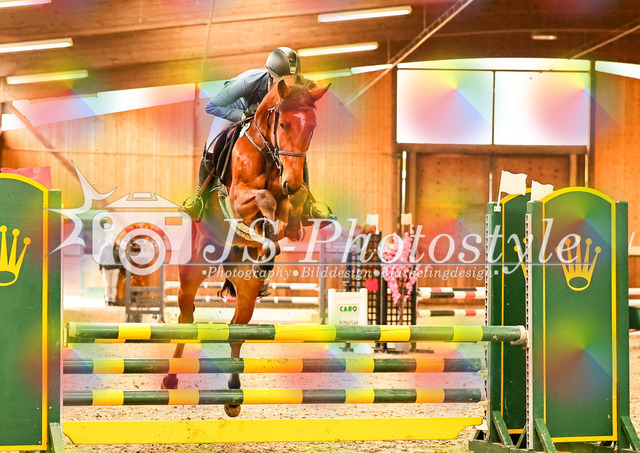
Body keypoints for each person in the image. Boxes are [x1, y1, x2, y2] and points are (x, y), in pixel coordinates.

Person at [182, 47, 333, 223]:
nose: (288, 87)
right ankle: (200, 198)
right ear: (271, 76)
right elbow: (212, 106)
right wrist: (243, 115)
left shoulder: (298, 83)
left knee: (293, 146)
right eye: (283, 82)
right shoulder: (248, 81)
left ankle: (308, 205)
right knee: (212, 143)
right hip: (235, 110)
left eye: (292, 81)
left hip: (266, 119)